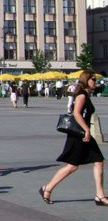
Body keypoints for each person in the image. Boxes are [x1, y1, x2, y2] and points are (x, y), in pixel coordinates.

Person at [39, 71, 107, 205]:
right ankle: (47, 188)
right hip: (78, 135)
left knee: (98, 161)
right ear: (86, 80)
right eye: (93, 79)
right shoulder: (82, 95)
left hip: (83, 135)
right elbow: (76, 113)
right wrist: (87, 129)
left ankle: (100, 195)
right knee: (72, 166)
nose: (95, 81)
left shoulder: (85, 94)